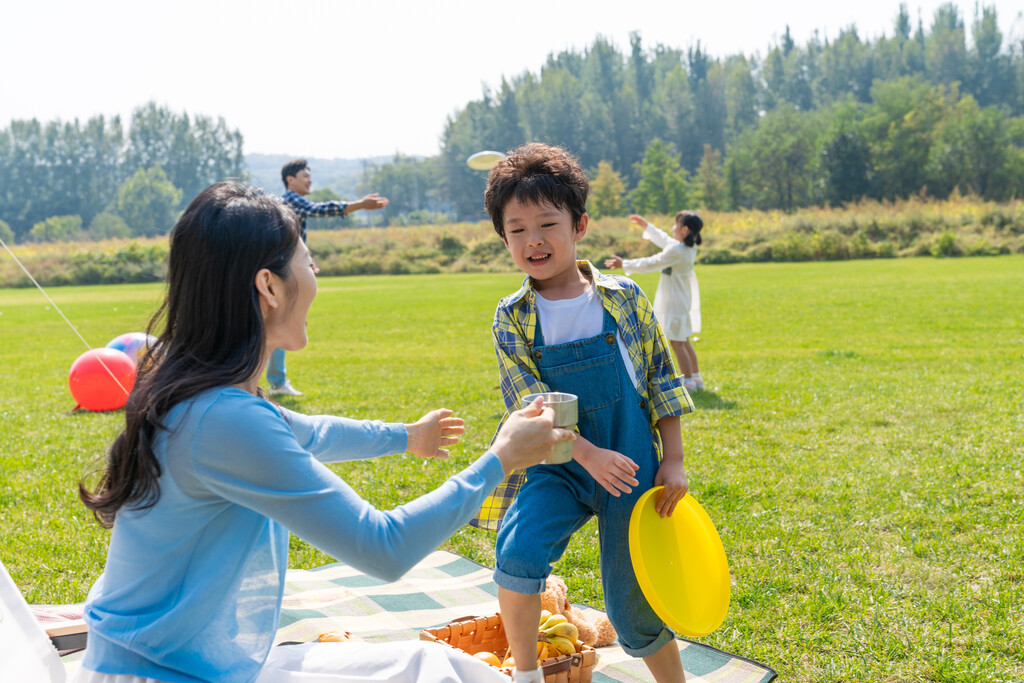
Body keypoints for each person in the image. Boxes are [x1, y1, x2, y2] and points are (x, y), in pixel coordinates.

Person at [74, 181, 574, 683]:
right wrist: (501, 460)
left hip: (183, 665)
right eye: (307, 262)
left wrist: (406, 436)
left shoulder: (210, 399)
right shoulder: (223, 419)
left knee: (439, 666)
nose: (317, 275)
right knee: (447, 676)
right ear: (268, 286)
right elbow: (385, 547)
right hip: (158, 675)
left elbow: (311, 433)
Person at [473, 143, 695, 683]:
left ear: (580, 225)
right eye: (517, 229)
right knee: (518, 553)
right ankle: (526, 674)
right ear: (504, 238)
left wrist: (675, 460)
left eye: (548, 223)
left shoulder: (623, 297)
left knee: (632, 605)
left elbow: (662, 379)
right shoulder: (512, 317)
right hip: (558, 467)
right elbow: (529, 403)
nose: (534, 240)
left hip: (632, 470)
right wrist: (586, 454)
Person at [266, 158, 390, 397]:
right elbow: (318, 210)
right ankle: (276, 382)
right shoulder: (291, 200)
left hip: (284, 270)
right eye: (305, 175)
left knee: (276, 323)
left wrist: (304, 263)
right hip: (283, 273)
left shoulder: (289, 202)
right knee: (278, 323)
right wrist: (360, 205)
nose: (309, 179)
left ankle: (275, 381)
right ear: (290, 180)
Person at [605, 212, 704, 392]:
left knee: (677, 342)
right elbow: (664, 239)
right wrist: (646, 226)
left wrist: (625, 263)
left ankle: (688, 381)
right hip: (681, 298)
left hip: (675, 300)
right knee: (684, 340)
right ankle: (696, 378)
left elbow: (652, 262)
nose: (673, 228)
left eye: (676, 224)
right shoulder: (685, 248)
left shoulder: (677, 251)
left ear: (684, 229)